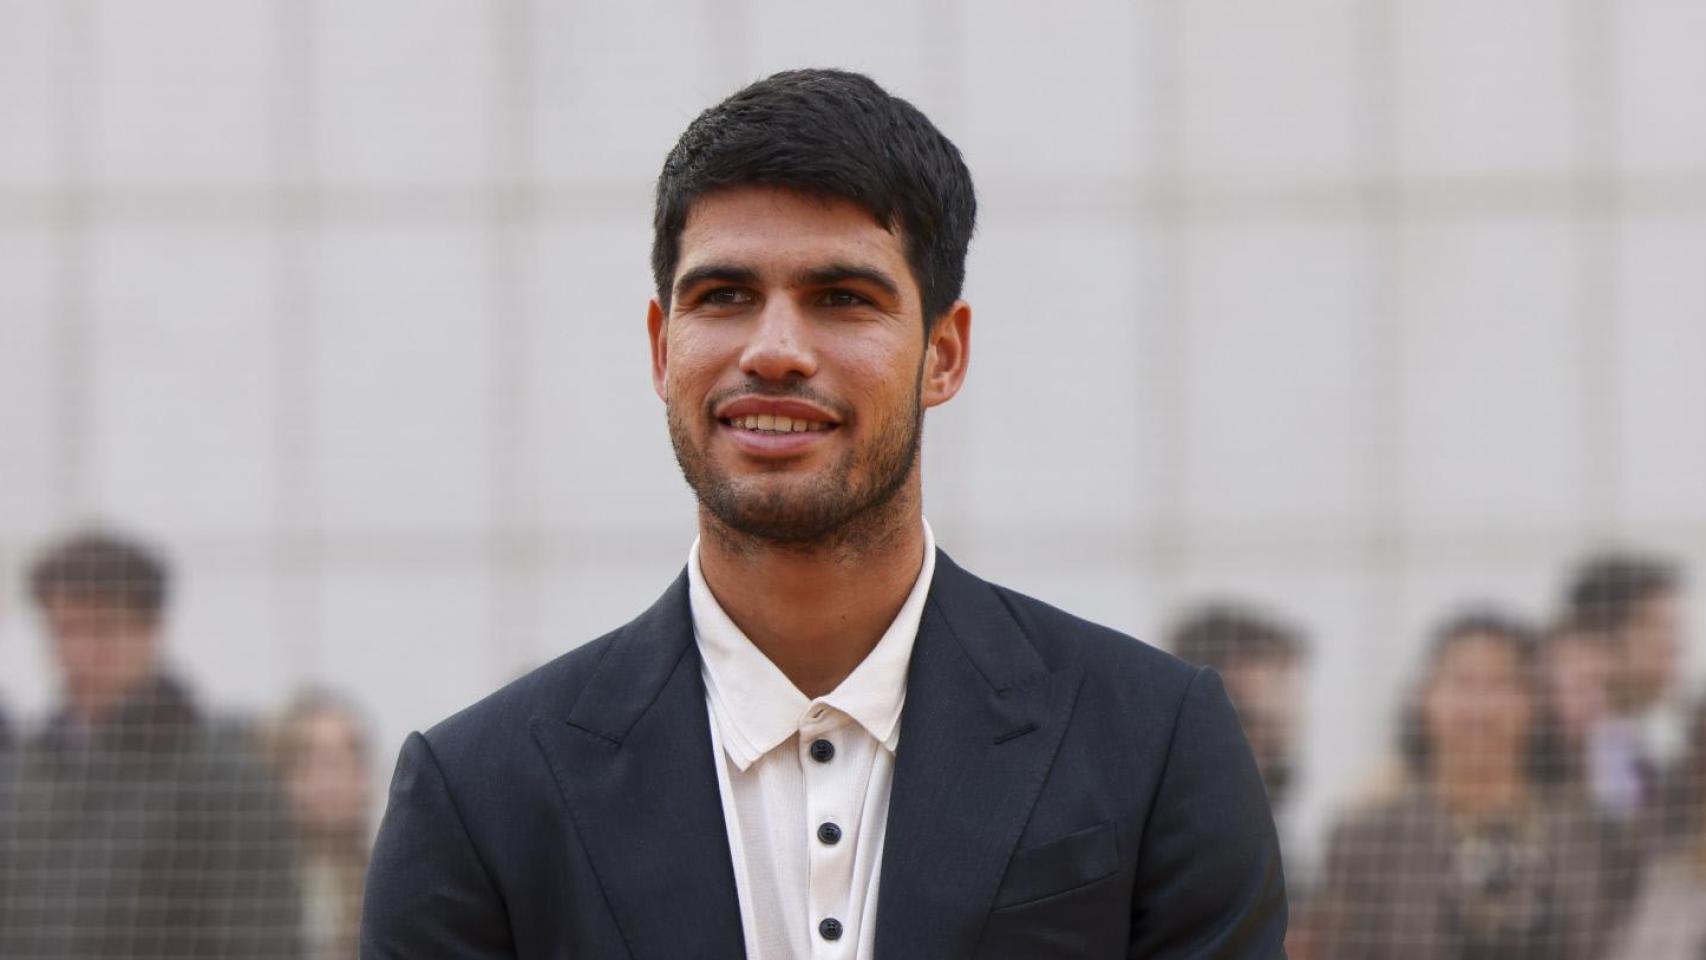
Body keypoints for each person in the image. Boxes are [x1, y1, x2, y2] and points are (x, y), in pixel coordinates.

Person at [362, 68, 1286, 958]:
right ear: (660, 347)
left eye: (841, 298)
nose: (773, 351)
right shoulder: (481, 794)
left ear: (944, 353)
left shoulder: (1156, 743)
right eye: (723, 296)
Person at [0, 529, 304, 959]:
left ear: (152, 631)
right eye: (64, 630)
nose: (80, 653)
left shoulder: (224, 779)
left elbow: (262, 941)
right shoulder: (22, 772)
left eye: (102, 630)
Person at [1311, 610, 1618, 960]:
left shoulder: (1596, 833)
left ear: (1536, 702)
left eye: (1501, 684)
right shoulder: (1367, 839)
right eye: (1462, 683)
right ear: (1424, 697)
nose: (1479, 708)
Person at [1564, 553, 1689, 836]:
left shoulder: (1654, 748)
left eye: (1675, 630)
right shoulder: (1560, 751)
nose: (1674, 646)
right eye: (1658, 628)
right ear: (1602, 636)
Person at [272, 690, 374, 960]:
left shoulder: (392, 878)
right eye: (313, 761)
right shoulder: (257, 888)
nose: (331, 779)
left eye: (344, 759)